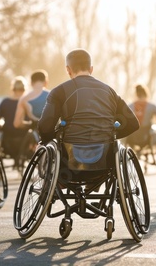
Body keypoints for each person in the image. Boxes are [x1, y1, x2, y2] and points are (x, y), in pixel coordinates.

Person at [38, 49, 139, 182]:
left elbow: (45, 128)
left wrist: (52, 139)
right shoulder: (110, 91)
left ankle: (56, 185)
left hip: (68, 166)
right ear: (91, 69)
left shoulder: (59, 91)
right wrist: (109, 135)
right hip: (104, 165)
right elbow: (133, 124)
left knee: (45, 146)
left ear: (68, 70)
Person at [0, 77, 28, 167]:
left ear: (13, 89)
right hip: (24, 138)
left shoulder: (5, 102)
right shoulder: (27, 102)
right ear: (24, 89)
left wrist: (1, 128)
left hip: (7, 137)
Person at [126, 84, 156, 149]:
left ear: (136, 94)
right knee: (154, 128)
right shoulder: (152, 107)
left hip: (133, 135)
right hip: (147, 134)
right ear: (146, 94)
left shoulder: (130, 106)